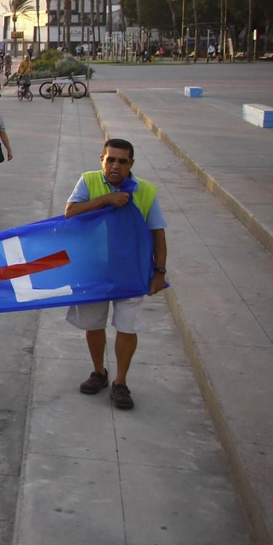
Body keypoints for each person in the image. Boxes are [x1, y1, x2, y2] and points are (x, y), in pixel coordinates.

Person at [64, 138, 169, 411]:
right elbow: (70, 212)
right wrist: (107, 199)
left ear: (131, 164)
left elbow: (158, 235)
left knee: (127, 327)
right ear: (102, 159)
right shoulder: (88, 182)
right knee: (94, 324)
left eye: (122, 161)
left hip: (131, 272)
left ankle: (120, 382)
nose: (115, 166)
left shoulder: (146, 191)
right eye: (110, 159)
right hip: (94, 271)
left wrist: (160, 272)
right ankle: (99, 372)